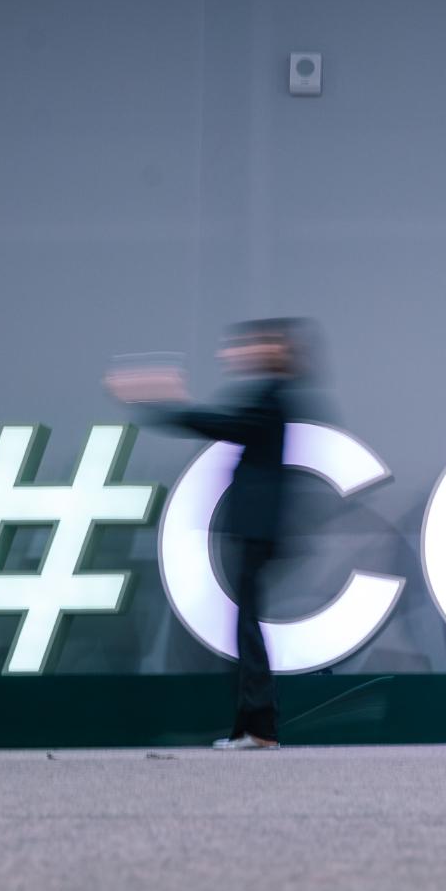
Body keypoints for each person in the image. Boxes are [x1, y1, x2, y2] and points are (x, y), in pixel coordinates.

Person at [105, 319, 313, 750]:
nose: (234, 354)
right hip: (256, 530)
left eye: (248, 346)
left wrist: (168, 401)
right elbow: (228, 424)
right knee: (246, 625)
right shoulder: (274, 395)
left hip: (257, 530)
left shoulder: (274, 397)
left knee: (247, 626)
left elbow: (225, 424)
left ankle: (259, 728)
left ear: (273, 350)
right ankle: (256, 727)